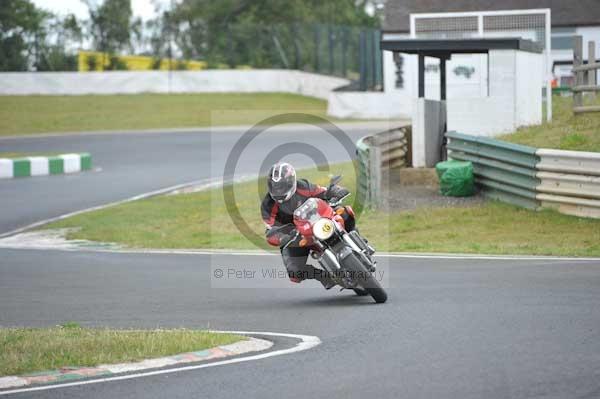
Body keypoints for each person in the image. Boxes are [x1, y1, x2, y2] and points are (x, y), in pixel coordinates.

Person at [260, 162, 355, 288]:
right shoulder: (268, 205)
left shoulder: (303, 186)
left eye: (282, 186)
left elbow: (322, 192)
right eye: (275, 187)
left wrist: (334, 192)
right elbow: (270, 230)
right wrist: (281, 237)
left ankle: (355, 238)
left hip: (317, 219)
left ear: (291, 182)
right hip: (294, 236)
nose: (279, 190)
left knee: (344, 212)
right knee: (294, 271)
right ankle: (323, 276)